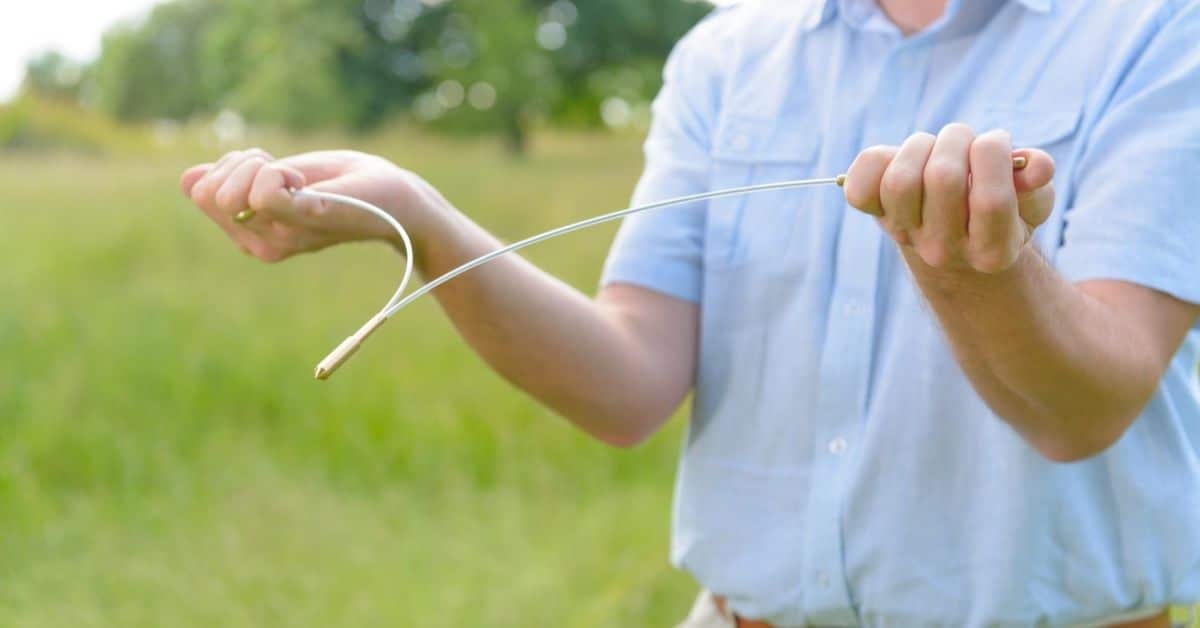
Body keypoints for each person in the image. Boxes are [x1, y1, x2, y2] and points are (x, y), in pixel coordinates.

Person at [180, 0, 1200, 625]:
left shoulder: (1161, 27)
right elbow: (627, 383)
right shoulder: (724, 56)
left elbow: (1084, 407)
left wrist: (974, 267)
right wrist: (420, 217)